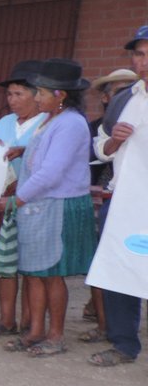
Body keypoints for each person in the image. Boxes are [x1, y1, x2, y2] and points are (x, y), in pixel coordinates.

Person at [0, 59, 96, 357]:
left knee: (52, 273)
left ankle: (56, 335)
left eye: (40, 92)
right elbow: (49, 155)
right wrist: (25, 149)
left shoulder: (71, 123)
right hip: (41, 207)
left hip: (58, 206)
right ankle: (36, 331)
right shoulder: (51, 119)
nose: (35, 97)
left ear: (60, 94)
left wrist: (17, 200)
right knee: (36, 272)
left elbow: (52, 172)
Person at [89, 26, 148, 367]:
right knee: (120, 270)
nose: (143, 62)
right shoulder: (124, 99)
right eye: (138, 55)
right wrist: (113, 143)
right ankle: (123, 344)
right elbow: (100, 146)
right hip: (123, 201)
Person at [0, 60, 47, 339]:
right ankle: (6, 318)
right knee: (5, 263)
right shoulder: (4, 123)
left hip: (36, 199)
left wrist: (24, 150)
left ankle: (30, 320)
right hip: (5, 198)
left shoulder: (46, 122)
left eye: (19, 94)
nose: (12, 100)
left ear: (36, 94)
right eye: (9, 94)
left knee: (31, 264)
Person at [77, 67, 139, 341]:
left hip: (132, 196)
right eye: (115, 89)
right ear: (105, 97)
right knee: (110, 264)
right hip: (109, 197)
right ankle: (114, 332)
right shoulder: (103, 121)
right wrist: (114, 139)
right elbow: (98, 154)